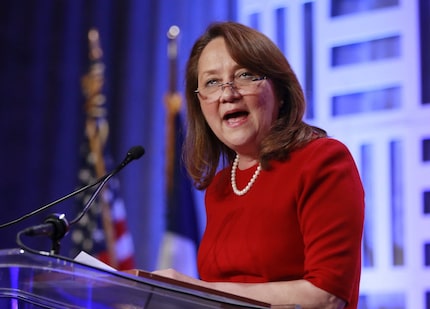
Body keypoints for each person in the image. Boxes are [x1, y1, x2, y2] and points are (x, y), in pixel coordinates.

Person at [153, 21, 364, 309]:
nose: (228, 94)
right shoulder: (221, 187)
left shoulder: (323, 160)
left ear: (280, 90)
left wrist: (196, 290)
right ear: (200, 102)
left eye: (244, 75)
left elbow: (326, 296)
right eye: (212, 82)